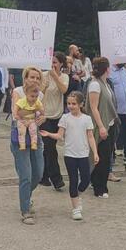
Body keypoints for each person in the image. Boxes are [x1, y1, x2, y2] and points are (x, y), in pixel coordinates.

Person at [40, 92, 97, 221]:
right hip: (70, 154)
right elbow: (60, 136)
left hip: (83, 154)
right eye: (69, 103)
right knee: (73, 180)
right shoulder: (65, 118)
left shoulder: (86, 119)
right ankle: (75, 208)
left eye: (74, 104)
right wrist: (49, 134)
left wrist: (95, 152)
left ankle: (77, 195)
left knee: (86, 180)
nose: (71, 106)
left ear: (81, 104)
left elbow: (90, 136)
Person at [10, 66, 45, 224]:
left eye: (38, 78)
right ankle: (25, 211)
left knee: (38, 173)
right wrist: (33, 114)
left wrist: (41, 118)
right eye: (32, 77)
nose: (35, 80)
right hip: (20, 135)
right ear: (25, 78)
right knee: (26, 175)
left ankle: (26, 195)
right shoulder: (17, 91)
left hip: (35, 135)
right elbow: (17, 113)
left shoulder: (40, 95)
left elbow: (42, 113)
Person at [87, 57, 118, 198]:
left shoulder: (106, 84)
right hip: (100, 125)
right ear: (106, 69)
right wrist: (101, 126)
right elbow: (93, 108)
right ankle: (99, 187)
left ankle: (101, 183)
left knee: (107, 156)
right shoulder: (95, 84)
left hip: (110, 124)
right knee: (102, 157)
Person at [39, 52, 69, 190]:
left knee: (48, 149)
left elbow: (64, 90)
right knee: (51, 148)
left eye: (55, 62)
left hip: (57, 116)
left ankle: (43, 175)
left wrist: (55, 76)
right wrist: (44, 86)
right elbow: (38, 95)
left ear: (61, 64)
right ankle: (57, 180)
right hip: (44, 116)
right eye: (51, 62)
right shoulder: (42, 75)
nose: (53, 64)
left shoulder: (64, 77)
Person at [14, 82, 45, 151]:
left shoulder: (37, 102)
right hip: (22, 119)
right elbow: (16, 107)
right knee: (21, 132)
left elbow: (42, 110)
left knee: (33, 131)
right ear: (26, 94)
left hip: (32, 119)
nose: (34, 98)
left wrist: (41, 111)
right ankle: (22, 144)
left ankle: (34, 143)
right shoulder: (23, 101)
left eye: (36, 96)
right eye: (32, 96)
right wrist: (16, 115)